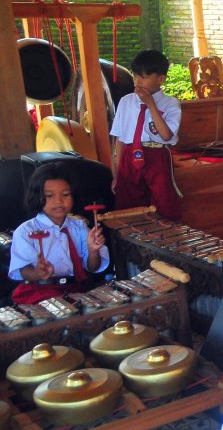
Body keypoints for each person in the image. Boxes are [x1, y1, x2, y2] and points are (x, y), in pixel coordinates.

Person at [8, 162, 109, 305]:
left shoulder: (79, 227)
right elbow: (22, 269)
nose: (59, 201)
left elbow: (93, 267)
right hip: (40, 291)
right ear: (37, 196)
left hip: (75, 289)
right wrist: (37, 273)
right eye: (49, 196)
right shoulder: (25, 231)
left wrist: (93, 251)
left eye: (66, 194)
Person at [110, 49, 183, 220]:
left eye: (144, 77)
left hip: (156, 155)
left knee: (163, 202)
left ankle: (164, 241)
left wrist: (150, 104)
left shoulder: (171, 104)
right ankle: (132, 243)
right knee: (127, 202)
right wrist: (117, 171)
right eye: (135, 76)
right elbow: (119, 138)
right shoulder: (126, 101)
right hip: (129, 155)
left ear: (161, 79)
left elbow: (166, 135)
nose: (138, 81)